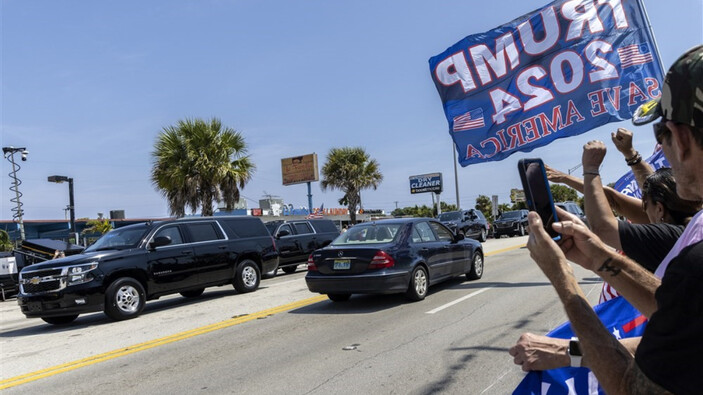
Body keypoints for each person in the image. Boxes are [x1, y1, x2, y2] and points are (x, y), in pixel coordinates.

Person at [510, 45, 703, 393]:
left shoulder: (696, 261)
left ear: (681, 138)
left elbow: (631, 387)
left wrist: (563, 280)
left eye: (662, 138)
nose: (666, 162)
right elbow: (682, 311)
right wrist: (597, 257)